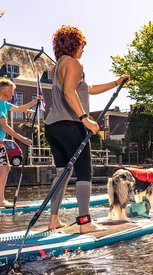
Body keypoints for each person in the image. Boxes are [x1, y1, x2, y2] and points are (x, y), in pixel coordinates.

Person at [45, 25, 129, 232]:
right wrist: (85, 119)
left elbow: (87, 89)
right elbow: (69, 92)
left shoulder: (57, 66)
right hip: (71, 124)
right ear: (74, 44)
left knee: (63, 173)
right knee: (84, 172)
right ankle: (85, 223)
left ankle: (53, 220)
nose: (83, 49)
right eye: (82, 45)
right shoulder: (74, 63)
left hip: (52, 126)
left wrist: (116, 82)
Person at [0, 78, 41, 208]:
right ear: (4, 91)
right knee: (5, 168)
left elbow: (19, 109)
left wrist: (34, 102)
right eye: (11, 91)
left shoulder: (1, 103)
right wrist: (22, 139)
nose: (13, 94)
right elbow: (4, 126)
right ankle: (0, 200)